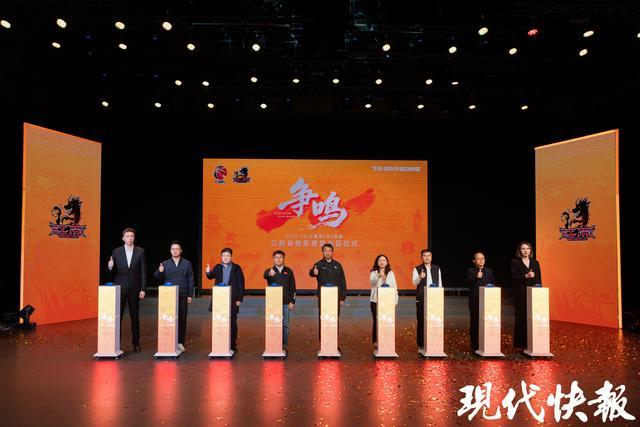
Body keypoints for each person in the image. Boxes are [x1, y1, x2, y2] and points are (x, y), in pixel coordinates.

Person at [106, 227, 147, 352]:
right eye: (127, 236)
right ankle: (116, 344)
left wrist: (143, 289)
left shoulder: (140, 251)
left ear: (134, 238)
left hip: (135, 288)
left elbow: (143, 272)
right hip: (120, 288)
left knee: (135, 316)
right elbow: (109, 272)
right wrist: (110, 267)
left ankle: (136, 343)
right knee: (118, 317)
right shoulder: (116, 251)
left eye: (132, 236)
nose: (130, 238)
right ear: (123, 238)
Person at [154, 240, 194, 352]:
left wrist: (190, 294)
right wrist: (160, 271)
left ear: (181, 251)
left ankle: (180, 342)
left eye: (177, 249)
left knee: (182, 318)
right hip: (169, 296)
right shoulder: (165, 263)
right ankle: (169, 340)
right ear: (170, 251)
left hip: (183, 294)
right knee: (169, 318)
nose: (175, 251)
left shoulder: (187, 263)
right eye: (173, 249)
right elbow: (157, 277)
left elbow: (191, 279)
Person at [206, 248, 245, 353]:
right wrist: (208, 272)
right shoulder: (218, 267)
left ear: (231, 257)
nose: (226, 257)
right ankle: (220, 343)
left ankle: (232, 345)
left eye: (228, 256)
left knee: (232, 322)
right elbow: (210, 276)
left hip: (232, 298)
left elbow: (241, 284)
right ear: (221, 257)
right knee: (219, 321)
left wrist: (239, 299)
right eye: (224, 256)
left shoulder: (236, 268)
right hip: (219, 298)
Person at [309, 243, 347, 341]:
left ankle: (334, 342)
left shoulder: (337, 265)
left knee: (335, 319)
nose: (327, 253)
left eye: (329, 251)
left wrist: (342, 298)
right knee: (323, 318)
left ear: (332, 252)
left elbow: (342, 281)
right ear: (322, 252)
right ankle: (323, 342)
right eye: (325, 251)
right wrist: (314, 272)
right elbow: (311, 272)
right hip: (323, 297)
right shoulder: (318, 264)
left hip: (336, 297)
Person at [510, 241, 543, 349]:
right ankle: (520, 344)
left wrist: (539, 293)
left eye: (528, 248)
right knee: (521, 317)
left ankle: (533, 343)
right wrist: (526, 276)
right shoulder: (515, 262)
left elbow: (538, 279)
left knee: (533, 318)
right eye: (523, 248)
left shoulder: (535, 263)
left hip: (533, 294)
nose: (525, 251)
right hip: (520, 294)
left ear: (530, 250)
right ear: (519, 250)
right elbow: (514, 278)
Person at [263, 250, 296, 350]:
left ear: (283, 258)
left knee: (285, 325)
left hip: (286, 303)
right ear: (274, 259)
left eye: (280, 257)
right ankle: (274, 343)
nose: (278, 259)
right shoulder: (270, 271)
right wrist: (269, 274)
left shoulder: (289, 271)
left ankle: (284, 345)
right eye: (276, 257)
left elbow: (293, 288)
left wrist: (292, 301)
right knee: (273, 324)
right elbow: (265, 275)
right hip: (273, 304)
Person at [412, 249, 443, 351]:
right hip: (421, 299)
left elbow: (440, 284)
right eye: (425, 256)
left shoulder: (436, 268)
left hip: (434, 299)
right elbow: (414, 283)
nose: (427, 257)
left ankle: (433, 342)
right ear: (422, 257)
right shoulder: (417, 268)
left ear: (431, 257)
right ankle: (421, 345)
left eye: (429, 255)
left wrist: (439, 297)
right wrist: (419, 277)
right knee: (421, 322)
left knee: (433, 321)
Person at [465, 252, 496, 352]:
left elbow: (493, 284)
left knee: (488, 322)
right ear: (474, 261)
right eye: (478, 258)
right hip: (475, 300)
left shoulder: (489, 271)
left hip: (488, 301)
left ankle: (487, 343)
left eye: (483, 258)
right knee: (475, 322)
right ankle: (474, 345)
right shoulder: (470, 271)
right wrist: (476, 277)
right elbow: (467, 283)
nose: (481, 260)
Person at [369, 254, 398, 348]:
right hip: (375, 301)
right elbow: (372, 282)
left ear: (387, 262)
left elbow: (394, 287)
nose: (382, 262)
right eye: (380, 260)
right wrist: (378, 275)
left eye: (384, 260)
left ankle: (386, 340)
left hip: (387, 301)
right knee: (376, 321)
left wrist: (395, 300)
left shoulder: (391, 273)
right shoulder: (374, 272)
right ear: (377, 262)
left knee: (386, 321)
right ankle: (376, 341)